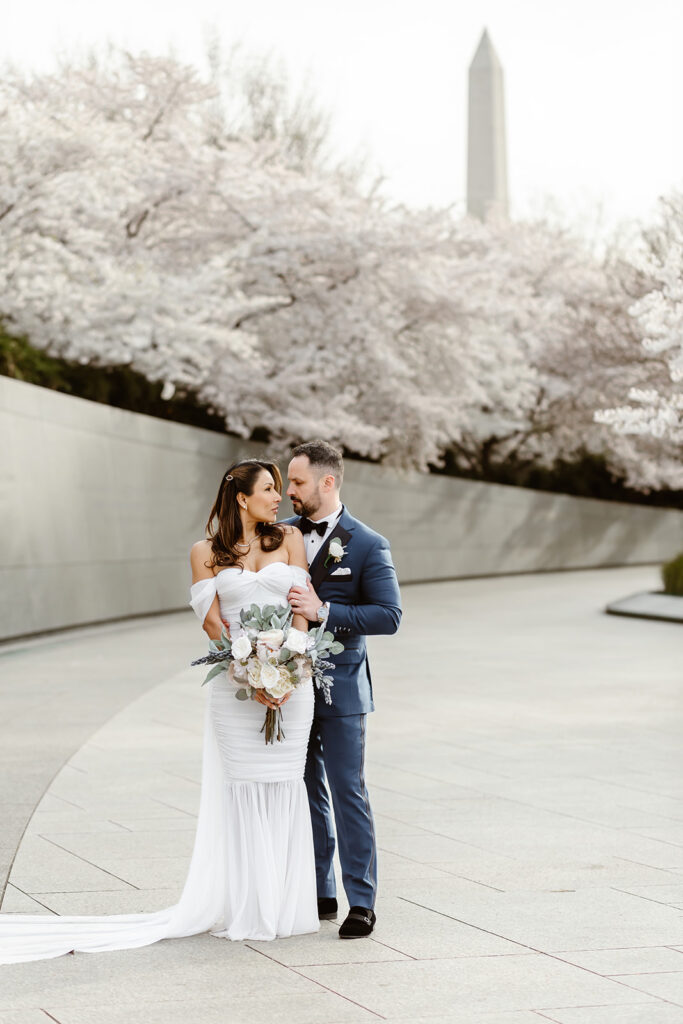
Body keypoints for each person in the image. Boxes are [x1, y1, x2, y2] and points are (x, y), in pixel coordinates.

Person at [0, 458, 319, 964]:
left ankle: (283, 908)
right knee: (242, 788)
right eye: (268, 489)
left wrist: (287, 668)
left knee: (283, 783)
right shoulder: (204, 554)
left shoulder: (290, 541)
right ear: (241, 497)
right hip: (236, 688)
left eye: (280, 489)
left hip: (294, 683)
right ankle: (246, 908)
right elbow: (214, 627)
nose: (277, 497)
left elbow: (304, 608)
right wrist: (253, 674)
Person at [285, 440, 402, 939]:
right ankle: (319, 891)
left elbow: (389, 615)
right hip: (285, 685)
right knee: (305, 788)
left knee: (347, 789)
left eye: (297, 482)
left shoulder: (368, 543)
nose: (288, 491)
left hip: (342, 687)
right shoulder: (278, 535)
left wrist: (324, 612)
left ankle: (361, 900)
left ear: (327, 482)